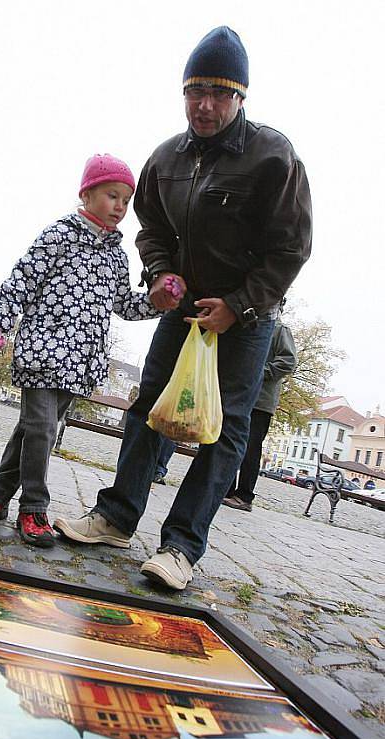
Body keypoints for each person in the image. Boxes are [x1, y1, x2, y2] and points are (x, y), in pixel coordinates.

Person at [54, 26, 312, 589]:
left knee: (225, 430)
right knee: (150, 405)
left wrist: (240, 306)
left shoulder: (274, 155)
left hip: (247, 320)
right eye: (195, 90)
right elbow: (151, 230)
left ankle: (180, 547)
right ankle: (116, 517)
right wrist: (161, 272)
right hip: (184, 307)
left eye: (220, 92)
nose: (205, 104)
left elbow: (292, 248)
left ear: (241, 97)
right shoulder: (166, 157)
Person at [0, 154, 162, 547]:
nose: (119, 207)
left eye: (125, 200)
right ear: (87, 194)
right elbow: (24, 276)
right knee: (43, 430)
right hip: (43, 349)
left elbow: (124, 305)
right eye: (111, 196)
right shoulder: (60, 234)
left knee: (32, 429)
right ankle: (33, 507)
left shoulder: (117, 256)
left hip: (80, 360)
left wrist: (157, 301)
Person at [222, 314, 297, 512]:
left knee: (251, 447)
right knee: (230, 441)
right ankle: (226, 490)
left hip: (261, 401)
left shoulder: (280, 329)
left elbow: (289, 361)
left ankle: (244, 496)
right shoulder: (250, 326)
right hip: (240, 395)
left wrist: (260, 371)